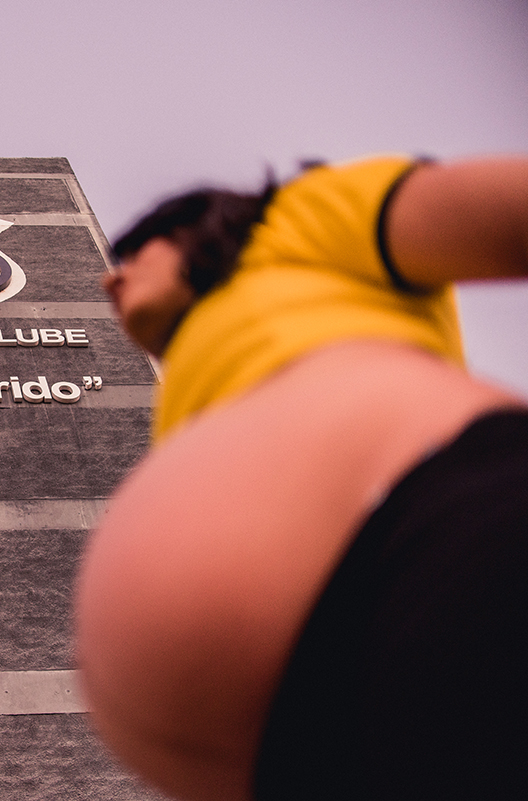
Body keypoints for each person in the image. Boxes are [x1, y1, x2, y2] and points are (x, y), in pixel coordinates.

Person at [74, 154, 528, 801]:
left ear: (201, 227)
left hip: (439, 550)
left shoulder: (296, 221)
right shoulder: (190, 385)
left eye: (134, 254)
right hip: (302, 736)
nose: (109, 282)